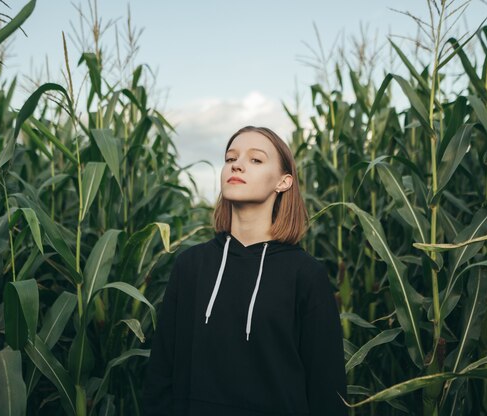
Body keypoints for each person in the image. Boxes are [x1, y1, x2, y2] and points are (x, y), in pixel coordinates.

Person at [142, 126, 347, 415]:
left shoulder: (306, 275)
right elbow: (160, 377)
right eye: (230, 158)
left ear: (283, 182)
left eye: (256, 160)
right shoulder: (190, 266)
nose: (236, 164)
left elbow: (327, 390)